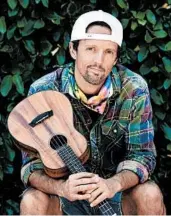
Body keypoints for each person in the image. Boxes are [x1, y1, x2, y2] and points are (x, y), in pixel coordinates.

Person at [20, 10, 166, 215]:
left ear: (116, 58)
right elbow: (31, 166)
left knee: (150, 194)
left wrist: (112, 184)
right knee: (32, 200)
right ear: (73, 50)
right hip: (66, 196)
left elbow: (142, 155)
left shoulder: (133, 89)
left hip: (115, 193)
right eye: (91, 49)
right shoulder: (43, 91)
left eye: (108, 52)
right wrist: (62, 188)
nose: (99, 60)